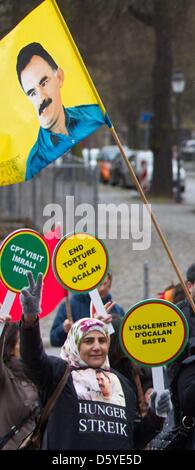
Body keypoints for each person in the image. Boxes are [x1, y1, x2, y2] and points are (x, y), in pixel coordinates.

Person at [19, 271, 172, 450]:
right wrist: (30, 320)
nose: (97, 347)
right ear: (75, 344)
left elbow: (134, 440)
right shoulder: (60, 374)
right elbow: (32, 360)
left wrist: (156, 416)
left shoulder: (122, 384)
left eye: (102, 340)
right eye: (88, 341)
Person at [16, 42, 110, 180]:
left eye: (44, 83)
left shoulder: (93, 114)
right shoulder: (35, 161)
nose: (41, 98)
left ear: (59, 77)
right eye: (32, 93)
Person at [50, 271, 125, 347]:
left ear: (110, 285)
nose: (102, 288)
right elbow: (54, 340)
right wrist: (63, 329)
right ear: (90, 283)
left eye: (106, 284)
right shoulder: (69, 306)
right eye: (99, 284)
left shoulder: (117, 309)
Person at [0, 314, 40, 450]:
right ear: (10, 348)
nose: (30, 346)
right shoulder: (4, 376)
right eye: (23, 341)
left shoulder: (43, 374)